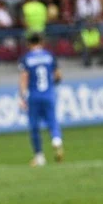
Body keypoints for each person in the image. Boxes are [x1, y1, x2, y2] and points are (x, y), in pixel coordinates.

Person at [18, 32, 63, 167]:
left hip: (34, 96)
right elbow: (58, 75)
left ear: (29, 43)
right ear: (41, 42)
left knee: (34, 126)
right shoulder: (49, 56)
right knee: (52, 120)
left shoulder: (26, 58)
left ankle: (39, 156)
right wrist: (52, 82)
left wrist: (22, 96)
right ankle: (56, 140)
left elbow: (24, 77)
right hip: (48, 94)